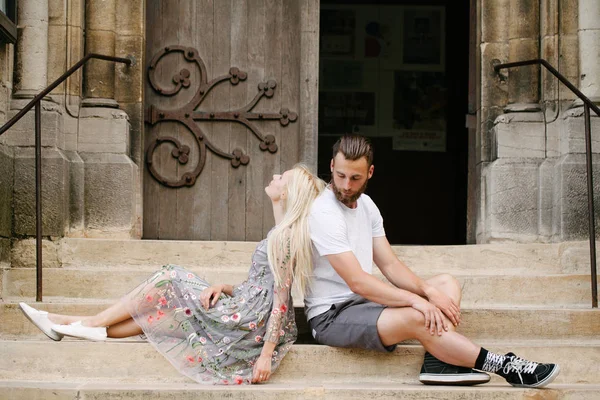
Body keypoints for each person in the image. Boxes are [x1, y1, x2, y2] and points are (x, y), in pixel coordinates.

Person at [19, 164, 326, 385]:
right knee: (159, 318)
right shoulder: (283, 232)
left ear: (287, 192)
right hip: (245, 310)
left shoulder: (285, 239)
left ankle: (87, 323)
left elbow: (282, 299)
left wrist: (265, 355)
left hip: (247, 322)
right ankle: (65, 324)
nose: (274, 176)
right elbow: (263, 284)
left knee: (170, 276)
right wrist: (225, 286)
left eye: (281, 177)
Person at [305, 134, 560, 388]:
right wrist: (417, 301)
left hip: (364, 304)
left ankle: (437, 362)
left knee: (445, 285)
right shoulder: (324, 212)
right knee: (419, 317)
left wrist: (428, 292)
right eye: (341, 176)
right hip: (332, 316)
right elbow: (358, 281)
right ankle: (507, 367)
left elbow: (390, 266)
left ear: (370, 172)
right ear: (331, 167)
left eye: (355, 177)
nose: (347, 185)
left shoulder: (367, 206)